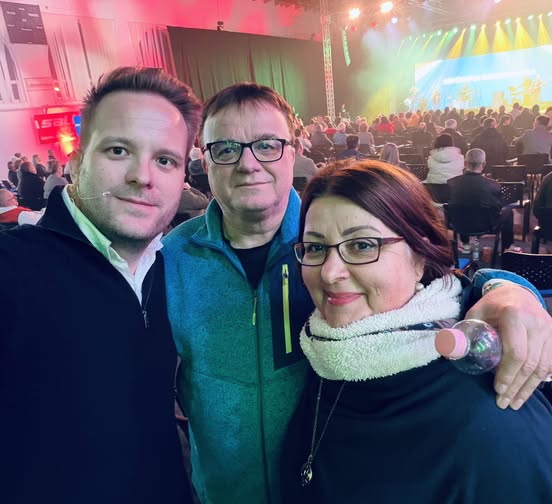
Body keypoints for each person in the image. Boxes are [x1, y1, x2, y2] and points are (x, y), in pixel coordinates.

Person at [163, 82, 552, 504]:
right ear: (203, 159)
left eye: (267, 145)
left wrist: (509, 288)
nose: (248, 163)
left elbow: (442, 282)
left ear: (294, 150)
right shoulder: (170, 258)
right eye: (225, 148)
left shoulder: (326, 221)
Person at [282, 160, 552, 503]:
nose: (329, 273)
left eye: (362, 245)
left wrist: (511, 290)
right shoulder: (325, 352)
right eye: (316, 247)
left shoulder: (492, 424)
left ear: (419, 256)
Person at [0, 66, 202, 504]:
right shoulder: (12, 271)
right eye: (118, 150)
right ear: (74, 162)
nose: (142, 176)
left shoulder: (174, 270)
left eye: (165, 160)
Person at [447, 148, 520, 254]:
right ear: (484, 164)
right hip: (487, 226)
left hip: (458, 224)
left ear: (465, 163)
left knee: (462, 207)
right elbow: (498, 207)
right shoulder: (493, 185)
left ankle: (465, 243)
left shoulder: (451, 183)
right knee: (508, 212)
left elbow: (450, 205)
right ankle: (508, 247)